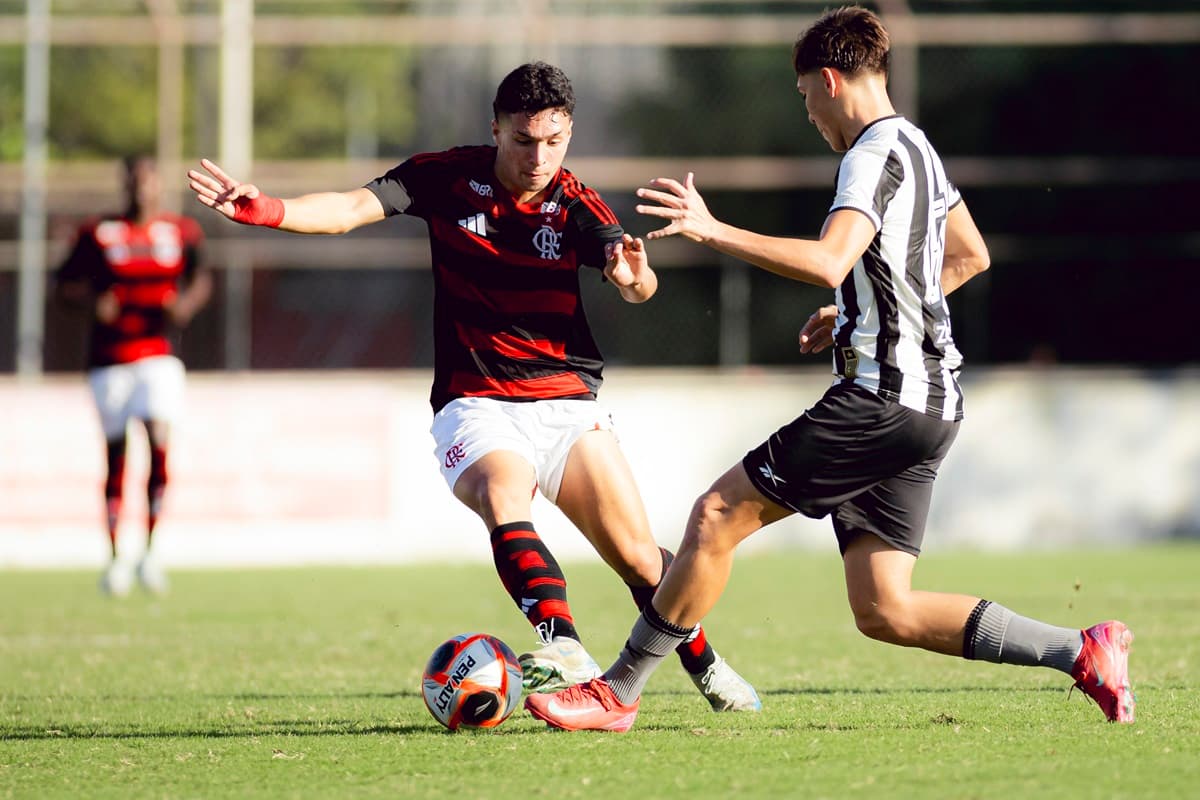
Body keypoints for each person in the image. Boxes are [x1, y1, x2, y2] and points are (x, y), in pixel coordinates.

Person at [525, 7, 1135, 732]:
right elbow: (969, 255)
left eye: (805, 95)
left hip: (882, 399)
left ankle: (617, 691)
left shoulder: (871, 153)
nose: (809, 113)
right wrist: (861, 311)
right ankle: (1081, 650)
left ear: (830, 79)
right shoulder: (918, 145)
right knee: (885, 608)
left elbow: (826, 260)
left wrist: (712, 228)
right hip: (930, 407)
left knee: (715, 516)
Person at [186, 61, 760, 712]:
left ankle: (706, 666)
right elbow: (349, 209)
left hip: (564, 402)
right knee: (501, 492)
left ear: (568, 134)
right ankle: (563, 643)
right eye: (523, 140)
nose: (539, 156)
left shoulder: (575, 203)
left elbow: (636, 282)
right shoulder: (444, 178)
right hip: (476, 400)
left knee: (639, 558)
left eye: (554, 140)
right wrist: (266, 209)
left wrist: (634, 277)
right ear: (496, 129)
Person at [56, 155, 214, 597]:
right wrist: (92, 302)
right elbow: (62, 286)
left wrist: (184, 305)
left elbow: (201, 277)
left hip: (158, 356)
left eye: (149, 182)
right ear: (124, 185)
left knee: (160, 438)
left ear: (159, 186)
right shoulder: (98, 233)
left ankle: (150, 550)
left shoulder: (180, 232)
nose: (142, 190)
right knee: (117, 455)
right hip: (109, 360)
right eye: (134, 182)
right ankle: (115, 558)